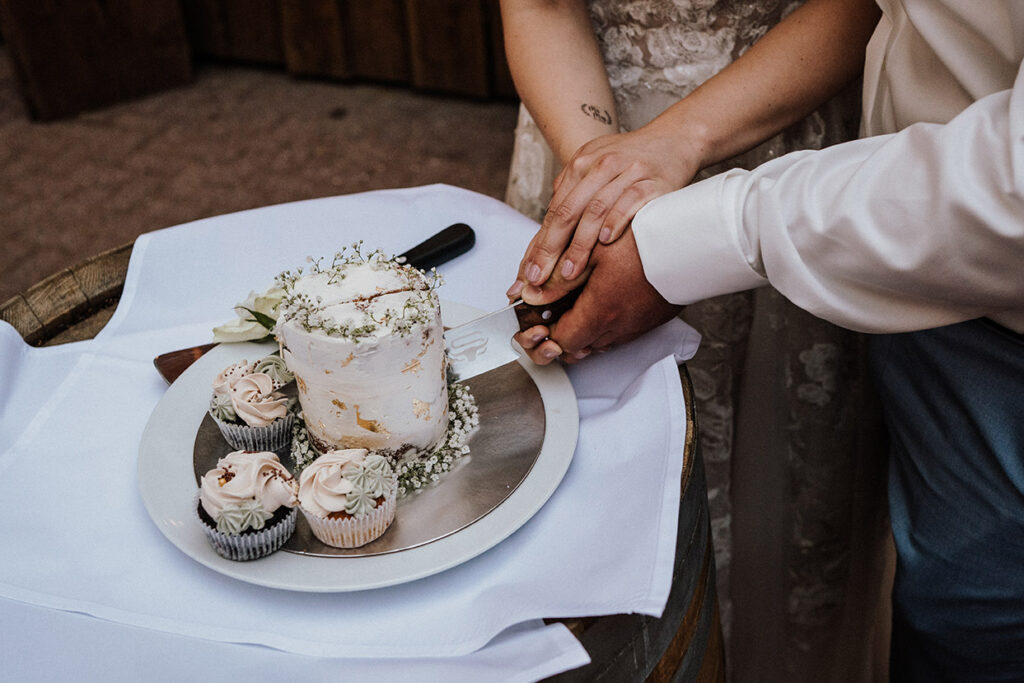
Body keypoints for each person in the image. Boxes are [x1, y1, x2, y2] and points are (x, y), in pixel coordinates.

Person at [506, 0, 1024, 678]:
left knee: (807, 522)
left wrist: (676, 221)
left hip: (822, 191)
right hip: (877, 218)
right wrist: (605, 197)